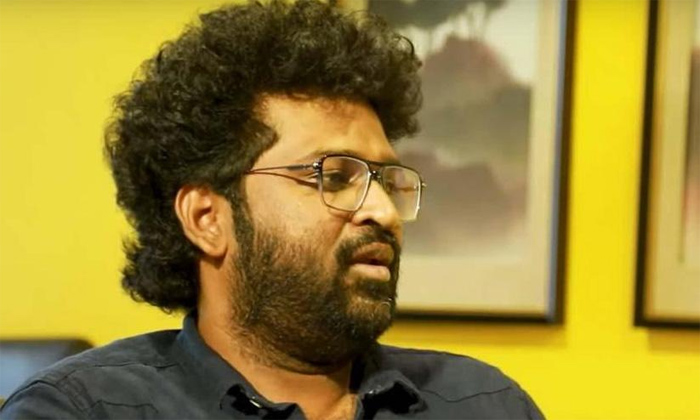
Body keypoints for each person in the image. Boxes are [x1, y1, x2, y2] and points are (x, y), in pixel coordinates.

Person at [0, 1, 544, 418]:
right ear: (207, 219)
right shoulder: (83, 410)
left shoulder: (484, 404)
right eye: (335, 176)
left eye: (387, 180)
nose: (382, 211)